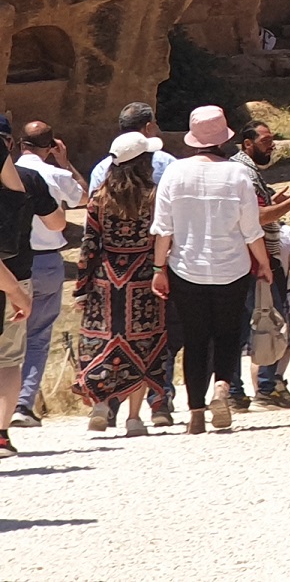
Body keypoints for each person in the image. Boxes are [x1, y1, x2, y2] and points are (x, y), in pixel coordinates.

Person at [150, 106, 268, 435]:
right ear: (224, 138)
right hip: (232, 266)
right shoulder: (238, 174)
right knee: (228, 335)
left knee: (196, 339)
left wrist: (159, 268)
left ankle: (197, 413)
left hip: (186, 268)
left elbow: (163, 229)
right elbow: (251, 229)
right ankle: (222, 388)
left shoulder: (174, 173)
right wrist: (265, 263)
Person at [73, 130, 170, 439]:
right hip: (143, 279)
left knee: (102, 342)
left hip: (106, 279)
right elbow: (162, 238)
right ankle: (133, 418)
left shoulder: (99, 199)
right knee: (142, 345)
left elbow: (90, 244)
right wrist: (161, 269)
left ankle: (100, 405)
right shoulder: (155, 197)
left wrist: (81, 287)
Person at [0, 118, 67, 458]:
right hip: (20, 270)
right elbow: (57, 222)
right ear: (8, 143)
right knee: (11, 357)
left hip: (18, 273)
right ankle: (3, 430)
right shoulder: (29, 179)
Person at [13, 120, 86, 427]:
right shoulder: (56, 174)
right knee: (39, 336)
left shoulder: (10, 173)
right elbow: (84, 197)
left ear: (19, 144)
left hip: (10, 264)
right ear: (51, 146)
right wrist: (65, 162)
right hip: (46, 261)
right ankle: (22, 404)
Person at [234, 121, 290, 410]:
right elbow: (255, 217)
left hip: (245, 261)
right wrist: (288, 206)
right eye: (265, 140)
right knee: (270, 322)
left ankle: (235, 390)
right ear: (247, 144)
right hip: (257, 262)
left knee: (240, 327)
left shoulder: (246, 171)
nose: (271, 146)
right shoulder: (245, 174)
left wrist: (275, 202)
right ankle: (266, 387)